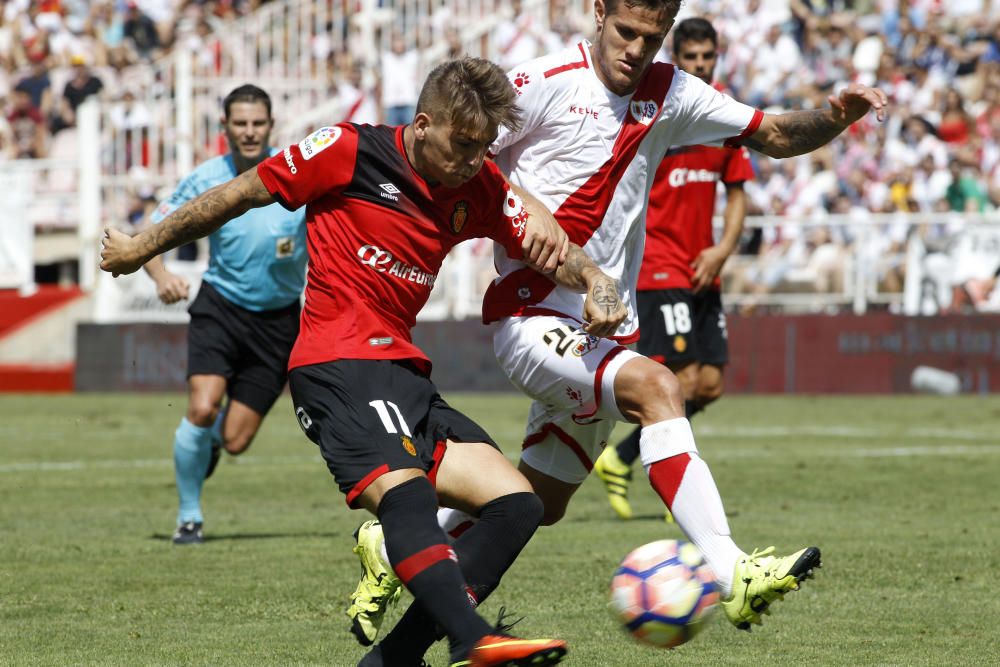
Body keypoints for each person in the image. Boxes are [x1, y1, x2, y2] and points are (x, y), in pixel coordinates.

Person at [348, 0, 889, 655]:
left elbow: (773, 134)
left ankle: (402, 544)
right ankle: (731, 570)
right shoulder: (542, 82)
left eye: (651, 37)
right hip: (530, 314)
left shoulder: (674, 93)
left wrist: (835, 117)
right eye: (626, 32)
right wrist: (518, 212)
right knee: (659, 387)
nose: (636, 48)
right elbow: (462, 153)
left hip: (605, 327)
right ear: (598, 12)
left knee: (536, 503)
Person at [101, 56, 630, 667]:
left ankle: (393, 660)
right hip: (336, 365)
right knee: (404, 500)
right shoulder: (347, 150)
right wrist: (143, 247)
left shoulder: (477, 184)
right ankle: (471, 638)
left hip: (406, 374)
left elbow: (547, 244)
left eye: (484, 147)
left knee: (519, 505)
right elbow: (237, 195)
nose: (473, 160)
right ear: (424, 123)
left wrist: (595, 279)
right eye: (462, 144)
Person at [593, 17, 754, 521]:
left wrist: (722, 250)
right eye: (692, 58)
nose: (701, 65)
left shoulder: (723, 117)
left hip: (703, 267)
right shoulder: (655, 109)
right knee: (679, 376)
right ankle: (679, 486)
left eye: (709, 57)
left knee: (710, 386)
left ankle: (618, 459)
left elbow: (737, 194)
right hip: (659, 267)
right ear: (675, 59)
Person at [140, 84, 308, 545]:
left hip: (278, 322)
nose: (249, 132)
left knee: (234, 441)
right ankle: (189, 517)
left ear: (271, 126)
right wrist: (161, 278)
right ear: (225, 128)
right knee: (201, 406)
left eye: (257, 123)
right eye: (240, 124)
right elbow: (152, 234)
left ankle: (207, 443)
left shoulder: (298, 174)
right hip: (220, 308)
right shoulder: (206, 178)